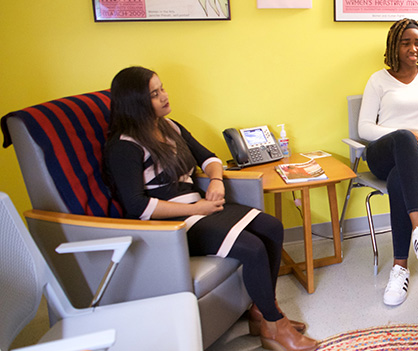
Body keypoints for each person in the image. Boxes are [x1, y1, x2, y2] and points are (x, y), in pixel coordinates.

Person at [103, 66, 318, 351]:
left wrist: (215, 180)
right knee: (252, 247)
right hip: (172, 226)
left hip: (200, 208)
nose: (165, 96)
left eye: (162, 88)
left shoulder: (170, 127)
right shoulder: (124, 147)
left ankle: (261, 311)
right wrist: (199, 209)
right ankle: (274, 325)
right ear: (135, 104)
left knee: (272, 227)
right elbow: (138, 207)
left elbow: (210, 158)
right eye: (155, 94)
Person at [358, 18, 418, 306]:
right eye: (406, 42)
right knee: (402, 138)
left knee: (400, 180)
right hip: (382, 153)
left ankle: (400, 269)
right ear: (394, 46)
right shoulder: (378, 80)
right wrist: (405, 134)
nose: (413, 48)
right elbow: (364, 129)